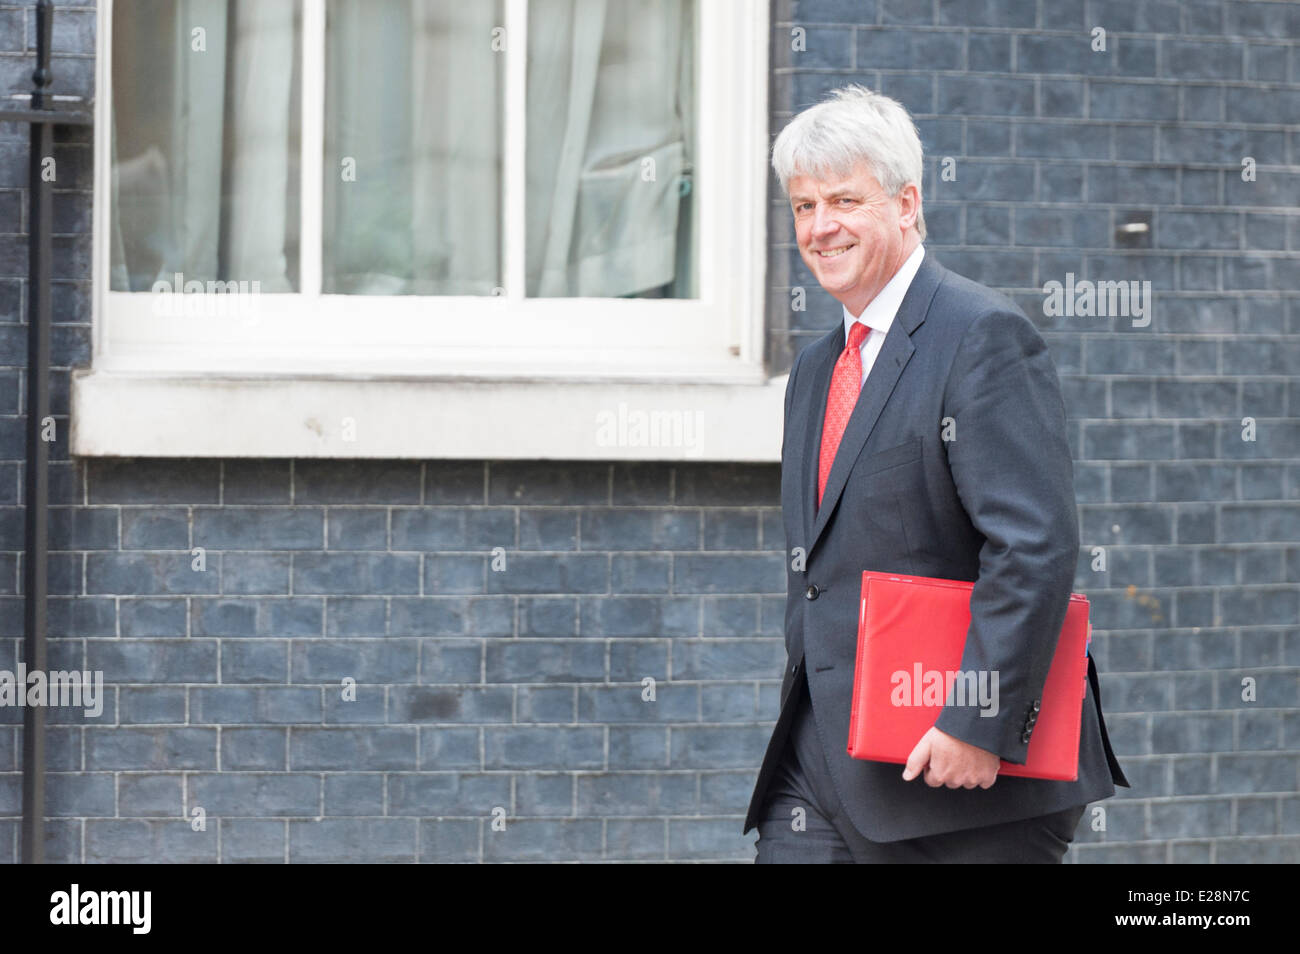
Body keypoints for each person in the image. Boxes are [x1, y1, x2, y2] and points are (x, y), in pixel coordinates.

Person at [744, 85, 1129, 863]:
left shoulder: (982, 335)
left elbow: (1033, 546)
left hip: (964, 784)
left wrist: (973, 722)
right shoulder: (817, 370)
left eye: (844, 200)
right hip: (821, 761)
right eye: (804, 206)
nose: (820, 228)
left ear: (906, 203)